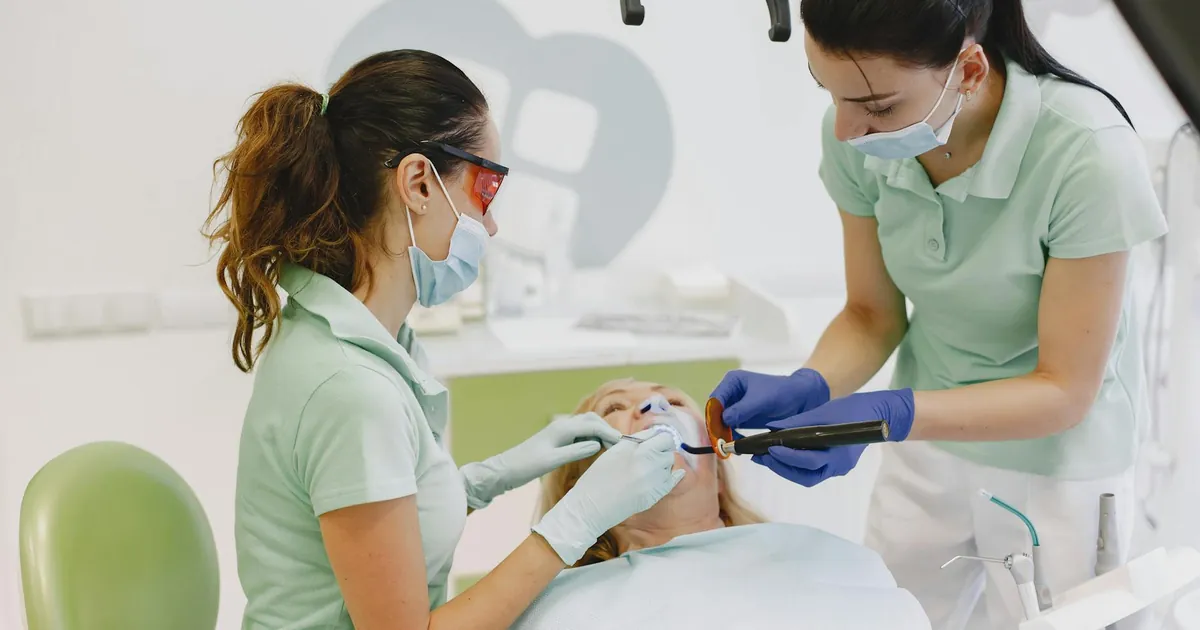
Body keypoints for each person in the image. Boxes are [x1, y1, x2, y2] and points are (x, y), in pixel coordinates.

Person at [710, 0, 1167, 628]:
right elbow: (871, 314)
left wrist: (889, 414)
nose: (846, 131)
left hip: (1059, 462)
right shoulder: (856, 136)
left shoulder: (1086, 151)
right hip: (927, 446)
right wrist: (808, 386)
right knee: (892, 615)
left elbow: (1064, 390)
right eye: (829, 92)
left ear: (971, 71)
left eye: (878, 107)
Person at [203, 50, 684, 630]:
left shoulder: (358, 342)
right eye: (487, 189)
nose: (493, 225)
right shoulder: (349, 388)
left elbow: (384, 522)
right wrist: (575, 521)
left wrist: (489, 478)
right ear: (418, 184)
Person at [513, 379, 932, 629]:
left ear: (718, 462)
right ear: (579, 480)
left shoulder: (824, 557)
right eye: (615, 408)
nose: (652, 407)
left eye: (674, 402)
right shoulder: (562, 605)